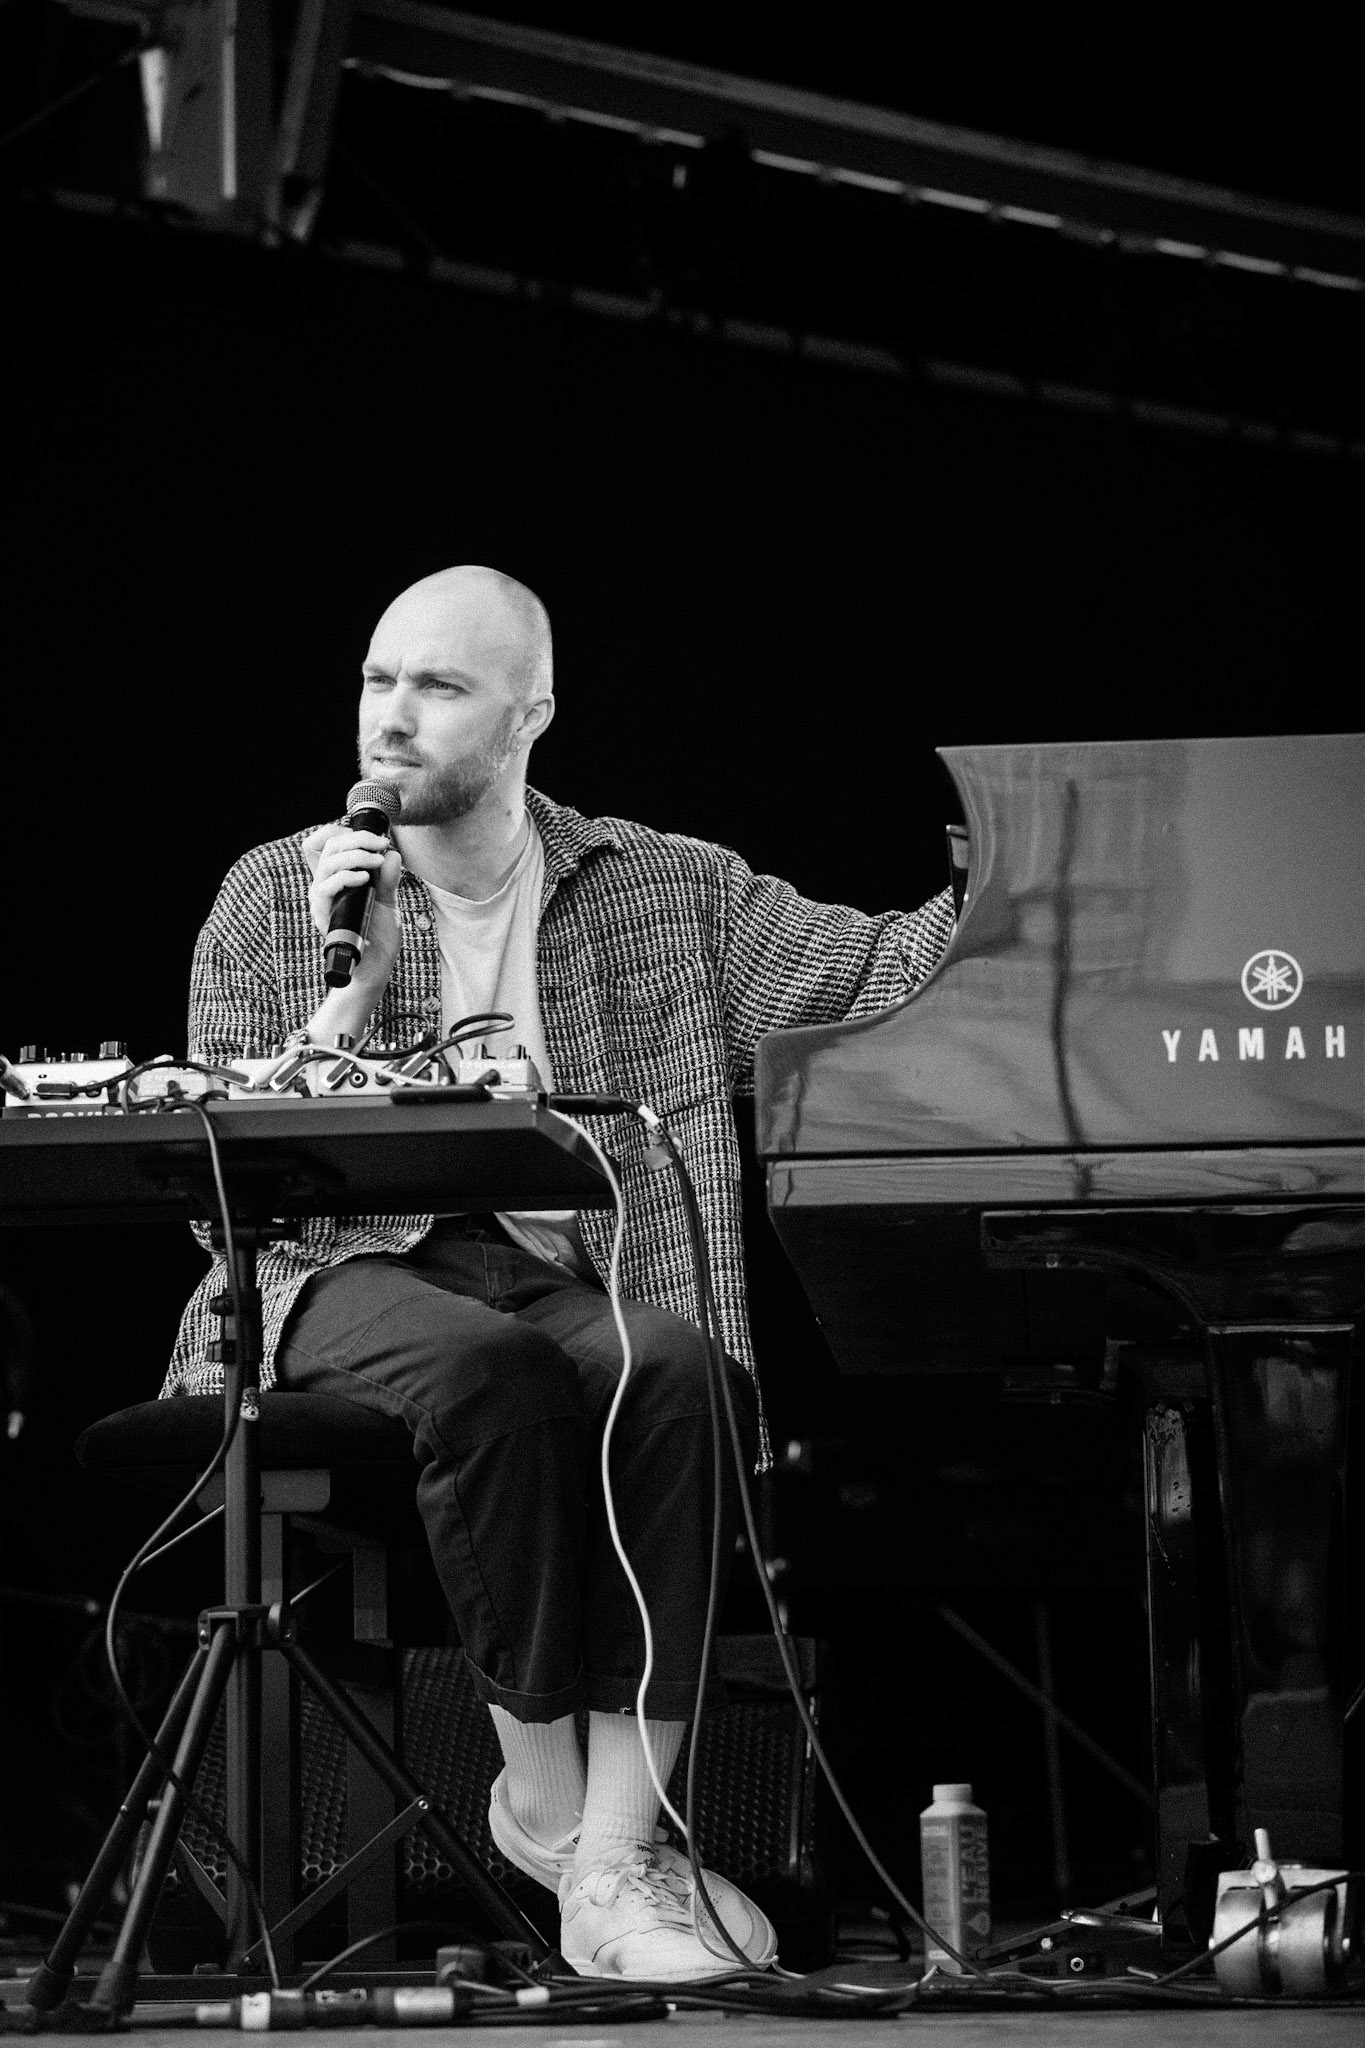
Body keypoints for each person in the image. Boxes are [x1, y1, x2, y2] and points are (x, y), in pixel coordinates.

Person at [168, 565, 955, 1978]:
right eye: (377, 680)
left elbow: (877, 974)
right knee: (496, 1373)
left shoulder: (669, 890)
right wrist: (349, 1000)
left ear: (529, 713)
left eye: (438, 686)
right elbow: (229, 1175)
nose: (391, 716)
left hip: (566, 1275)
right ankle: (542, 1805)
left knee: (680, 1370)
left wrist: (1015, 881)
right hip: (333, 1271)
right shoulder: (274, 893)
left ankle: (615, 1856)